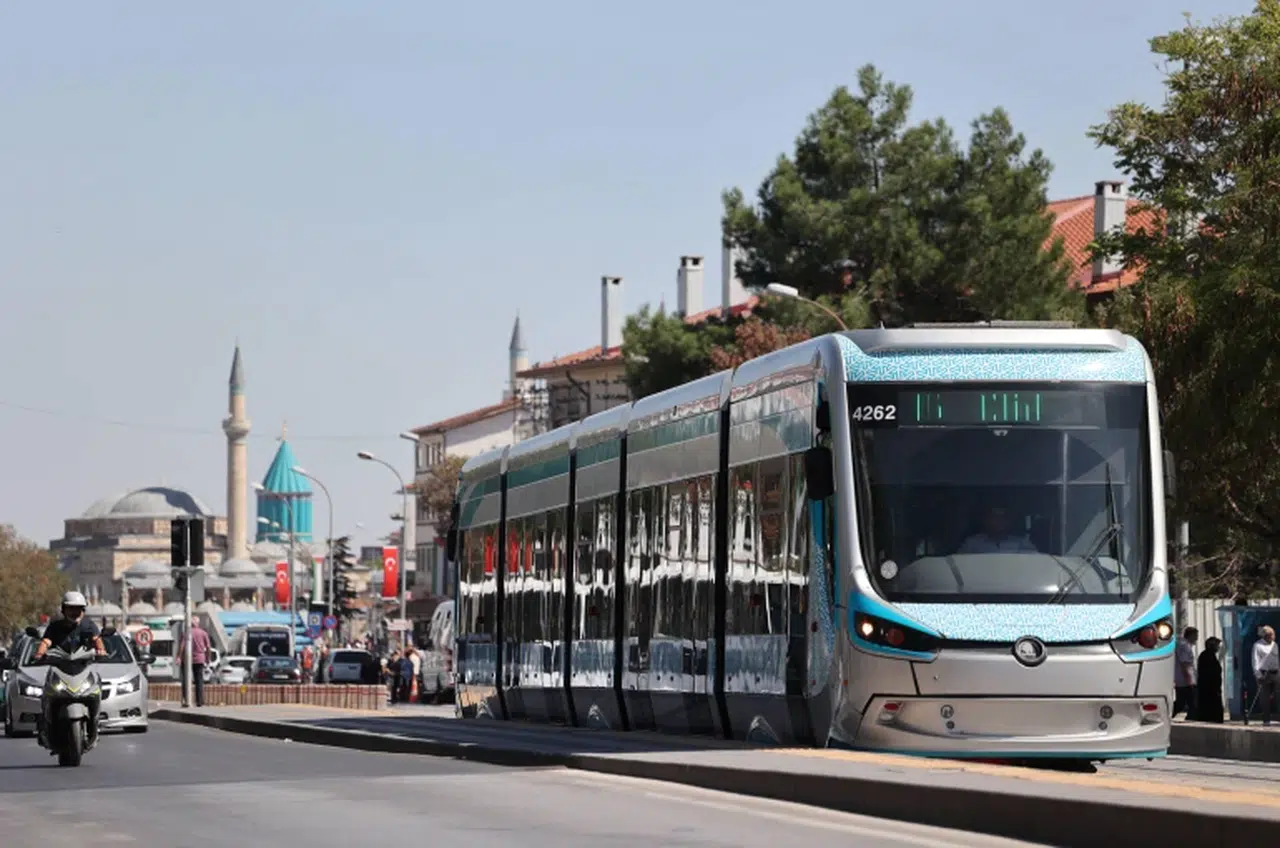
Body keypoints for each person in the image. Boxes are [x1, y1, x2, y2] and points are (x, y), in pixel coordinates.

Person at [31, 592, 105, 747]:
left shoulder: (89, 625)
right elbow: (46, 641)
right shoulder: (55, 626)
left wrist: (101, 650)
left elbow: (97, 640)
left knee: (96, 687)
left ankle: (95, 724)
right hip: (60, 668)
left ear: (83, 611)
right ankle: (46, 726)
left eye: (78, 609)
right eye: (71, 609)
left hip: (82, 667)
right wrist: (40, 653)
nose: (75, 612)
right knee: (47, 692)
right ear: (64, 610)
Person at [958, 506, 1037, 554]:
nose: (999, 521)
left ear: (1008, 521)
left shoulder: (1022, 543)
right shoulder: (972, 543)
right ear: (986, 520)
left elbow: (1033, 565)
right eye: (995, 517)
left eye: (1003, 518)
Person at [177, 620, 212, 707]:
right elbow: (208, 647)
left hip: (187, 659)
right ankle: (199, 701)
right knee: (199, 680)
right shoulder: (203, 633)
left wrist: (179, 657)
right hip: (199, 659)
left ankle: (186, 700)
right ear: (198, 623)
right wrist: (208, 658)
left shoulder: (186, 633)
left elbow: (182, 645)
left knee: (186, 680)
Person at [1252, 625, 1279, 725]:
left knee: (1278, 695)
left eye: (1273, 635)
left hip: (1275, 672)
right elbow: (1255, 661)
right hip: (1264, 673)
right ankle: (1266, 719)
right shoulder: (1257, 645)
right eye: (1271, 635)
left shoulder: (1275, 644)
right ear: (1265, 636)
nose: (1273, 637)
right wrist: (1258, 676)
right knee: (1265, 698)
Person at [1195, 636, 1224, 723]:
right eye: (1217, 645)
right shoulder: (1206, 656)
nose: (1218, 647)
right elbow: (1210, 673)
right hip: (1209, 689)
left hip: (1212, 688)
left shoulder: (1211, 656)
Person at [1173, 626, 1198, 719]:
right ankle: (1191, 719)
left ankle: (1191, 718)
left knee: (1183, 702)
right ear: (1190, 635)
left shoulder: (1182, 645)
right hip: (1185, 681)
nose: (1196, 638)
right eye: (1195, 636)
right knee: (1189, 703)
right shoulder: (1185, 646)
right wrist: (1189, 680)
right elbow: (1184, 664)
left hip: (1182, 680)